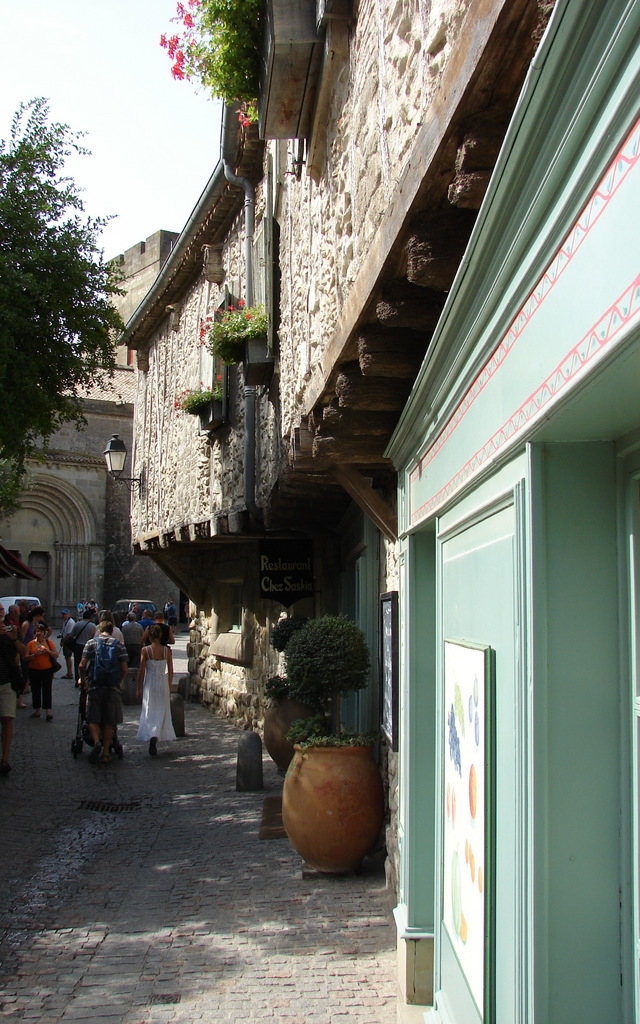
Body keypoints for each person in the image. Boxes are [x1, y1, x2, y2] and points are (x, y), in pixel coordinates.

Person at [79, 620, 128, 765]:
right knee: (109, 721)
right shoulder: (119, 645)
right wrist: (118, 681)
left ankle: (96, 742)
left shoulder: (91, 643)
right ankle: (106, 752)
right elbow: (125, 669)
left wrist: (83, 679)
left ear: (99, 630)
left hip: (95, 685)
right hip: (112, 687)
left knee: (93, 718)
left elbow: (82, 664)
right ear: (112, 631)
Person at [136, 624, 175, 756]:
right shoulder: (167, 651)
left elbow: (141, 670)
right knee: (162, 709)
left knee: (149, 707)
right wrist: (169, 685)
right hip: (162, 682)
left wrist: (138, 687)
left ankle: (152, 733)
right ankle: (157, 733)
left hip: (150, 681)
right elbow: (171, 671)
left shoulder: (145, 651)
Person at [0, 603, 24, 773]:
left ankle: (5, 759)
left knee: (7, 718)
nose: (1, 612)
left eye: (1, 610)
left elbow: (23, 652)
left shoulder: (12, 630)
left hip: (7, 681)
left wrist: (14, 638)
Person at [24, 623, 58, 721]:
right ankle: (37, 710)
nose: (39, 633)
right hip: (34, 669)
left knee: (47, 689)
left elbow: (56, 655)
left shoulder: (48, 642)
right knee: (35, 690)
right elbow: (25, 657)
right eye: (37, 631)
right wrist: (34, 655)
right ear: (35, 633)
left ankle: (48, 711)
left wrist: (48, 652)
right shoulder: (31, 644)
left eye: (41, 631)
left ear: (44, 633)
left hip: (47, 669)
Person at [68, 610, 97, 685]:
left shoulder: (77, 624)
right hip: (89, 646)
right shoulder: (93, 626)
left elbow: (71, 635)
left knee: (77, 663)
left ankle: (78, 679)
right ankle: (86, 677)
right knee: (88, 663)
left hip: (78, 646)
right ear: (90, 617)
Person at [59, 608, 76, 679]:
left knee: (68, 656)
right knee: (66, 657)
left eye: (64, 614)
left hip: (68, 641)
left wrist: (63, 642)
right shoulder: (66, 621)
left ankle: (70, 673)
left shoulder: (71, 622)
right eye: (62, 614)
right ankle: (69, 672)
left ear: (68, 614)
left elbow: (69, 635)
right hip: (65, 640)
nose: (63, 616)